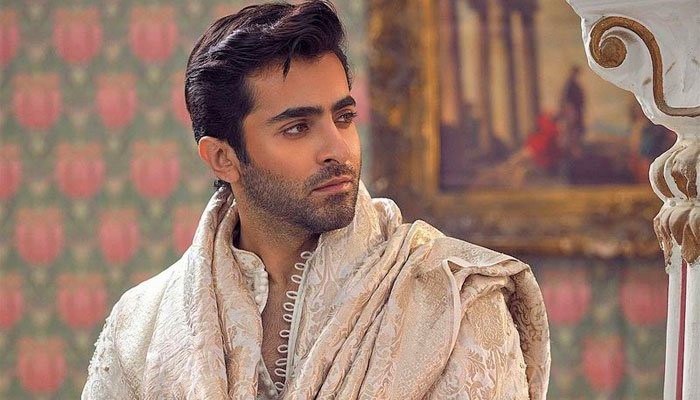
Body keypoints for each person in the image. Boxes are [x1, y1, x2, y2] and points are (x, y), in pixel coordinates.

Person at [82, 2, 550, 399]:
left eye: (343, 118)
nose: (337, 149)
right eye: (297, 128)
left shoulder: (453, 299)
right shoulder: (141, 328)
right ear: (223, 158)